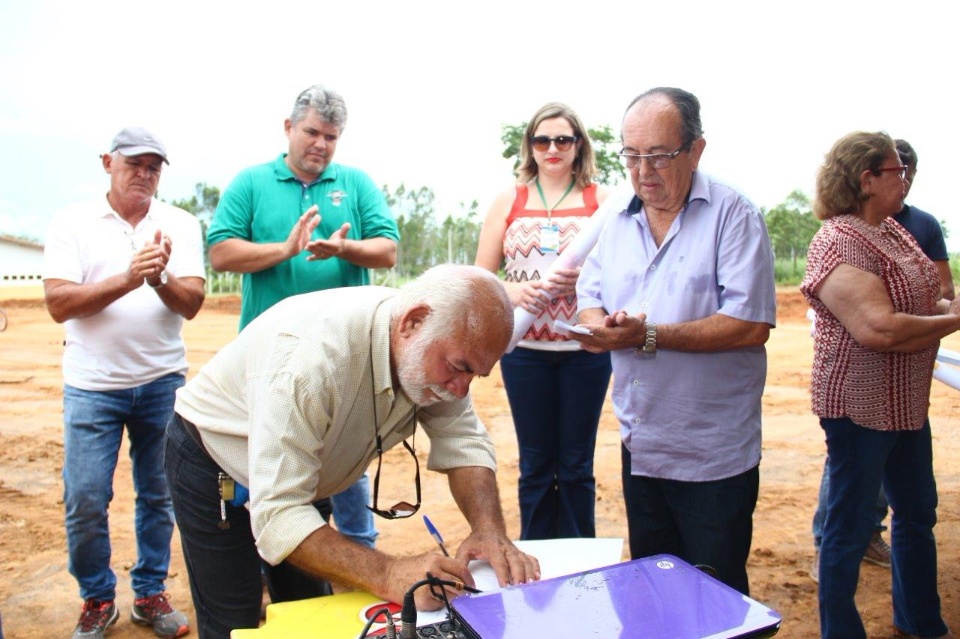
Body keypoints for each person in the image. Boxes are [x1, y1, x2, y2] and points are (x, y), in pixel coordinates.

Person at [164, 264, 541, 638]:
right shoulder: (309, 362)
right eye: (459, 368)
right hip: (218, 468)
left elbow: (464, 442)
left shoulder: (436, 346)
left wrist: (489, 529)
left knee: (308, 612)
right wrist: (389, 573)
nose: (461, 390)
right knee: (233, 617)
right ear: (411, 323)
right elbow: (279, 517)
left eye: (476, 375)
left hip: (304, 476)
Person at [569, 87, 777, 595]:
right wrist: (600, 327)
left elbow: (749, 323)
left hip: (713, 453)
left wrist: (649, 336)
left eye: (659, 156)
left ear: (696, 151)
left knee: (716, 595)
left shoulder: (734, 215)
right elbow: (588, 296)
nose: (643, 171)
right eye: (632, 155)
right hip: (643, 445)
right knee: (655, 590)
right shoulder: (617, 220)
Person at [206, 85, 398, 586]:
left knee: (351, 488)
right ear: (288, 128)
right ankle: (270, 580)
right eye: (312, 131)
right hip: (267, 370)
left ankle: (360, 586)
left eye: (331, 136)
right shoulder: (250, 183)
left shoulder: (354, 183)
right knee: (261, 479)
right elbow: (222, 253)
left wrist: (346, 250)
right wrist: (284, 248)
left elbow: (388, 250)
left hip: (344, 366)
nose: (322, 144)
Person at [42, 127, 205, 639]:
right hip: (92, 387)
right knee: (86, 497)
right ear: (107, 162)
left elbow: (193, 304)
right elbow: (59, 303)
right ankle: (96, 597)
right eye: (135, 163)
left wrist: (160, 280)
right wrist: (131, 277)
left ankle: (151, 593)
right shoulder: (72, 223)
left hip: (161, 383)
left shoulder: (179, 223)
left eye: (155, 166)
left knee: (159, 494)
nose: (145, 174)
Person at [801, 131, 959, 639]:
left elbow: (919, 301)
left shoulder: (894, 230)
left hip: (906, 402)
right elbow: (880, 328)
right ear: (866, 179)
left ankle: (920, 623)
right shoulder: (838, 240)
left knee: (917, 514)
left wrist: (945, 310)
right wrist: (953, 322)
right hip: (859, 407)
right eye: (896, 171)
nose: (905, 179)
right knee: (847, 530)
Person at [474, 102, 612, 540]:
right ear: (530, 147)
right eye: (542, 139)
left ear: (578, 146)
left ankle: (579, 565)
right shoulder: (508, 201)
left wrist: (587, 282)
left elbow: (624, 270)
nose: (552, 148)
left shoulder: (601, 201)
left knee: (575, 466)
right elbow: (480, 278)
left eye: (563, 139)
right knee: (534, 466)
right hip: (525, 352)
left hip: (583, 352)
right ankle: (535, 561)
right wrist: (514, 291)